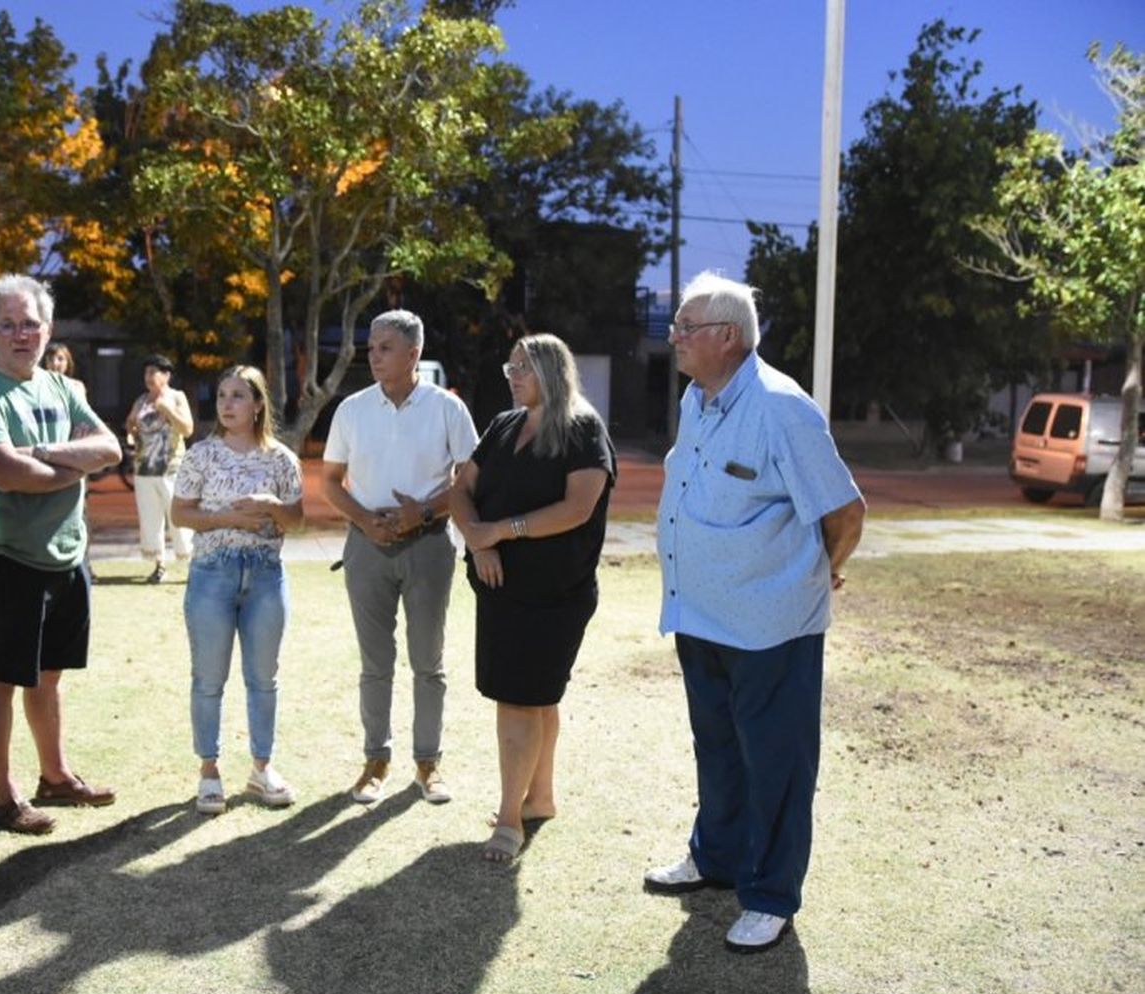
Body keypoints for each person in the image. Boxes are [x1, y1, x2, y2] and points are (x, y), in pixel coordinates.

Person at [643, 271, 865, 954]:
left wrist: (819, 573)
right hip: (701, 616)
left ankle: (769, 894)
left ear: (728, 337)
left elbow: (844, 512)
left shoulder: (781, 407)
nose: (673, 337)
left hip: (770, 625)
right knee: (719, 748)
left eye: (686, 327)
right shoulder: (698, 399)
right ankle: (717, 858)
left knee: (776, 760)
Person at [0, 273, 123, 835]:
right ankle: (3, 799)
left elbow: (109, 449)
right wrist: (69, 471)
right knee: (1, 678)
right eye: (8, 324)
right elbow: (2, 471)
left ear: (47, 329)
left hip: (69, 557)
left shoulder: (64, 388)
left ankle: (55, 776)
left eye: (30, 323)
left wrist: (44, 456)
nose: (20, 334)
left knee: (49, 679)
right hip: (10, 558)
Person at [448, 333, 615, 863]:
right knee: (534, 696)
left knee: (521, 697)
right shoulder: (503, 425)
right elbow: (460, 489)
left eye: (524, 367)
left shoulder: (583, 429)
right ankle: (539, 798)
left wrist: (501, 530)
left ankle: (508, 819)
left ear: (553, 371)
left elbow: (577, 508)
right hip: (500, 590)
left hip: (555, 593)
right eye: (510, 366)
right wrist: (477, 539)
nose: (514, 375)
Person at [321, 309, 479, 805]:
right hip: (366, 547)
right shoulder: (352, 409)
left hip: (429, 547)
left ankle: (428, 764)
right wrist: (365, 521)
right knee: (375, 663)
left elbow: (471, 479)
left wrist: (426, 513)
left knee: (427, 662)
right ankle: (375, 761)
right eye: (371, 347)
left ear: (414, 354)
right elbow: (329, 480)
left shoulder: (447, 409)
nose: (373, 355)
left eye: (385, 347)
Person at [170, 365, 303, 814]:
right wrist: (230, 518)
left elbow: (297, 519)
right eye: (222, 395)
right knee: (208, 679)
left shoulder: (282, 459)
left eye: (238, 396)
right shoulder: (201, 456)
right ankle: (209, 772)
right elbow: (181, 514)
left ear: (259, 404)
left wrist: (273, 508)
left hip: (267, 574)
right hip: (213, 573)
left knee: (264, 679)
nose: (227, 404)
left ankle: (262, 768)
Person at [127, 354, 195, 582]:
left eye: (153, 372)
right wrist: (131, 428)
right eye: (146, 372)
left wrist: (168, 410)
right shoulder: (140, 401)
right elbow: (130, 426)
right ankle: (159, 565)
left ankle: (192, 565)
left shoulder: (177, 397)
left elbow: (187, 429)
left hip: (172, 468)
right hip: (144, 468)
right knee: (150, 519)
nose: (148, 377)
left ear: (166, 375)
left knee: (179, 517)